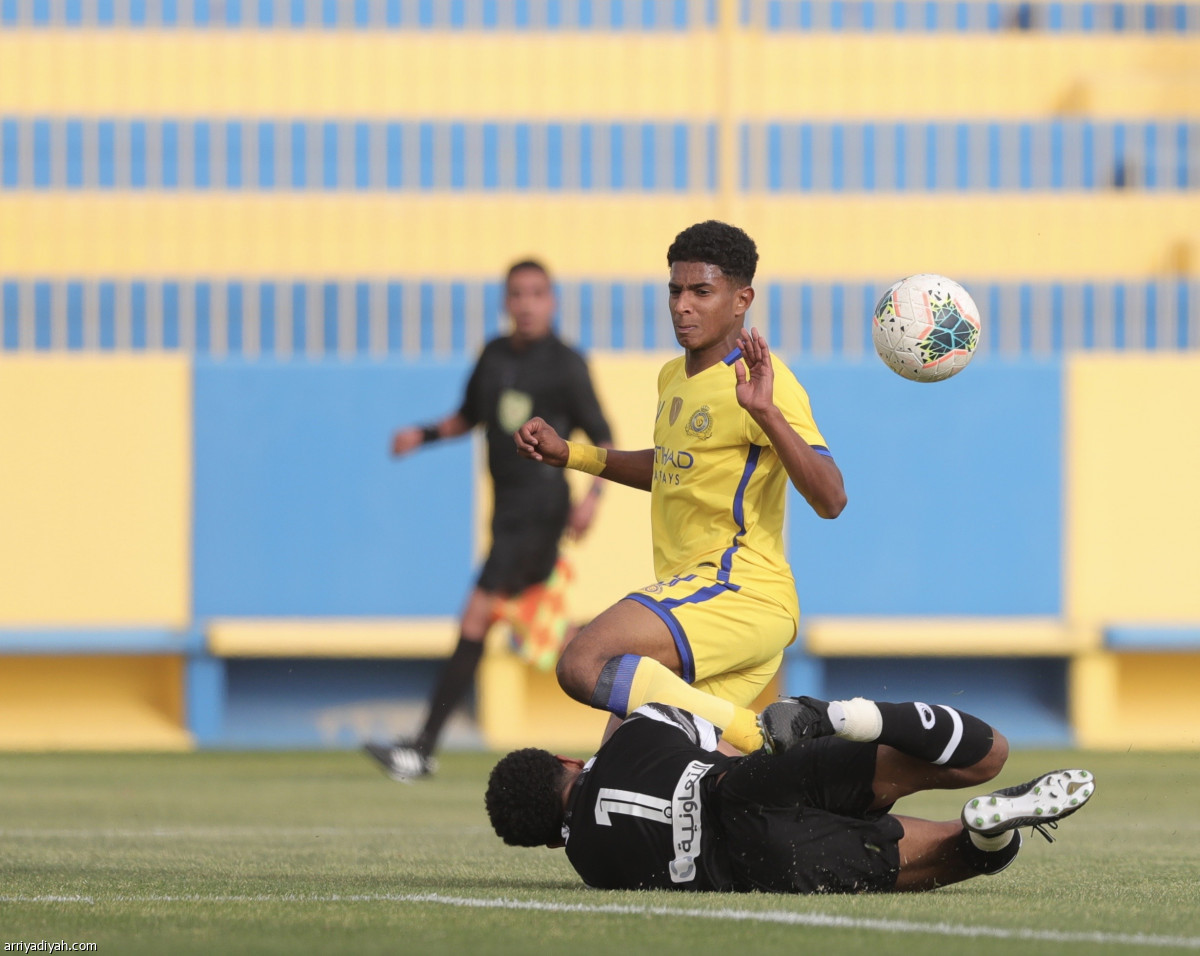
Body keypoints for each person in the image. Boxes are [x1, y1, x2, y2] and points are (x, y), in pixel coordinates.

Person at [514, 221, 846, 754]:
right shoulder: (673, 377)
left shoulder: (764, 381)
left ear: (742, 300)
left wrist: (766, 413)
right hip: (697, 601)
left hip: (740, 590)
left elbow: (832, 498)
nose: (682, 306)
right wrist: (571, 454)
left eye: (701, 292)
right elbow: (672, 470)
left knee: (582, 661)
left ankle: (759, 736)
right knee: (624, 777)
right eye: (675, 290)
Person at [365, 259, 614, 781]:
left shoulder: (566, 364)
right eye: (517, 294)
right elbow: (468, 416)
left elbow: (603, 436)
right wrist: (423, 435)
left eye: (536, 294)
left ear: (553, 301)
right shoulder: (494, 356)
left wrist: (592, 497)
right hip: (507, 517)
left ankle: (422, 750)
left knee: (477, 617)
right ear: (506, 301)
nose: (526, 303)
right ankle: (636, 663)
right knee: (547, 636)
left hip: (541, 511)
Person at [484, 694, 1096, 893]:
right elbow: (720, 741)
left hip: (763, 856)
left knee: (952, 855)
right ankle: (856, 716)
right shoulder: (641, 726)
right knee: (988, 753)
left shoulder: (590, 867)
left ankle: (991, 830)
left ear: (546, 840)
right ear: (564, 759)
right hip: (749, 784)